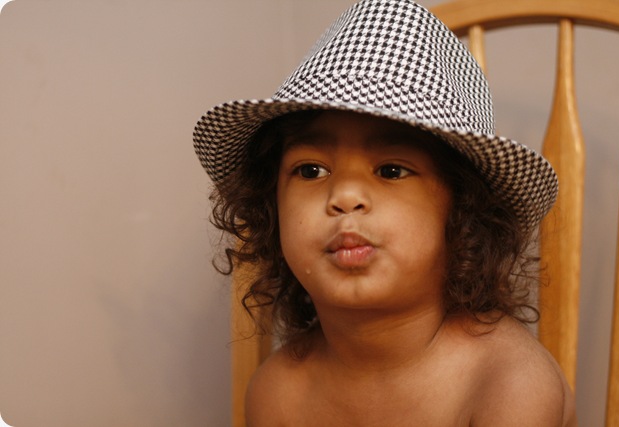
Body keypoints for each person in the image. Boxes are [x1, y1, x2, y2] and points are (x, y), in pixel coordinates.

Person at [193, 0, 577, 425]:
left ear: (464, 214)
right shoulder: (278, 393)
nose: (344, 196)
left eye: (391, 170)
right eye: (311, 170)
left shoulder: (506, 383)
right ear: (271, 209)